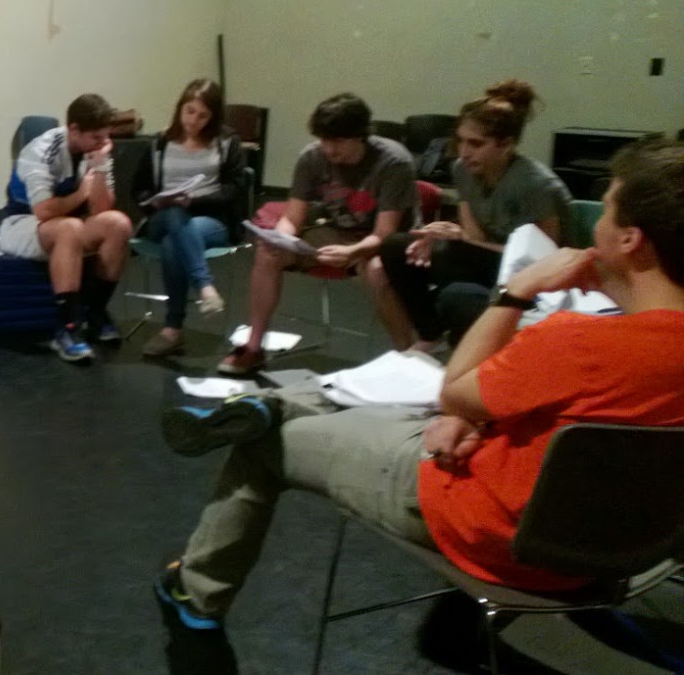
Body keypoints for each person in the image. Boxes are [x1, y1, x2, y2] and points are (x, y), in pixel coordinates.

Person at [153, 138, 684, 674]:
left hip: (488, 530)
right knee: (402, 407)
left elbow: (456, 389)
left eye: (606, 210)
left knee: (262, 443)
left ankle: (194, 594)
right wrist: (468, 417)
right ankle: (276, 404)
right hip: (617, 551)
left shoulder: (581, 341)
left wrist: (517, 292)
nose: (595, 227)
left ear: (630, 239)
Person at [219, 93, 417, 375]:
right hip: (336, 231)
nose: (329, 149)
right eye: (324, 140)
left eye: (337, 141)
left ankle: (408, 355)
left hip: (385, 242)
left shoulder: (392, 162)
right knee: (268, 253)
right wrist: (281, 238)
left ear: (360, 135)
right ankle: (253, 346)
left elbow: (385, 233)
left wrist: (353, 252)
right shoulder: (312, 157)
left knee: (377, 271)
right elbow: (293, 217)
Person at [371, 80, 573, 351]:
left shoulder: (538, 185)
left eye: (476, 144)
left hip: (530, 275)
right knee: (397, 246)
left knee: (456, 292)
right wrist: (442, 236)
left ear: (506, 144)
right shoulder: (462, 170)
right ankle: (430, 333)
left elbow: (545, 261)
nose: (464, 152)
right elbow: (474, 236)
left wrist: (460, 242)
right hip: (483, 260)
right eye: (461, 141)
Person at [0, 93, 134, 363]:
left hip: (67, 225)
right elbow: (43, 211)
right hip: (22, 224)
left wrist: (99, 166)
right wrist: (80, 195)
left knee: (119, 224)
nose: (103, 143)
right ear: (74, 130)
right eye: (96, 137)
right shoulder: (41, 150)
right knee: (69, 227)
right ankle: (67, 328)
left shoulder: (97, 150)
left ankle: (96, 313)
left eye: (106, 137)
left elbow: (102, 209)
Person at [131, 79, 249, 358]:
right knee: (174, 214)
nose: (193, 121)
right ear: (180, 108)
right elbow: (138, 188)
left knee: (174, 242)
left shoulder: (226, 142)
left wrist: (194, 201)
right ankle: (204, 285)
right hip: (162, 217)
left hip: (210, 220)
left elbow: (235, 188)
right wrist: (154, 200)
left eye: (202, 115)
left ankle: (173, 330)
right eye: (189, 111)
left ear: (213, 117)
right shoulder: (160, 142)